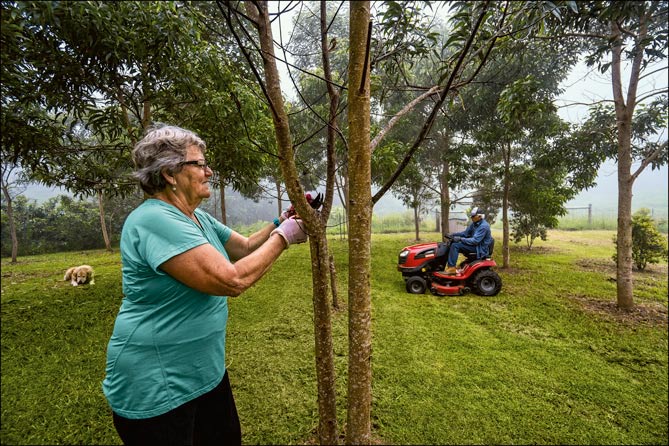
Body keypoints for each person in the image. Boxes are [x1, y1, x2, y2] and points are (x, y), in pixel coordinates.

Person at [102, 124, 308, 445]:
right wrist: (285, 238)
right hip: (157, 384)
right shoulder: (154, 219)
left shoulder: (197, 217)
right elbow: (231, 279)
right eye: (199, 164)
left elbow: (246, 246)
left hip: (205, 373)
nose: (209, 171)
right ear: (171, 173)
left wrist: (281, 220)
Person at [444, 207, 493, 275]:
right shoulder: (474, 224)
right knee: (453, 242)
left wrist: (460, 239)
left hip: (479, 249)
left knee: (455, 246)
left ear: (479, 216)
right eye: (471, 216)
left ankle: (451, 268)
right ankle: (445, 266)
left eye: (473, 216)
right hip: (475, 246)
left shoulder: (484, 226)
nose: (471, 218)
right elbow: (465, 234)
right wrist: (452, 235)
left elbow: (475, 241)